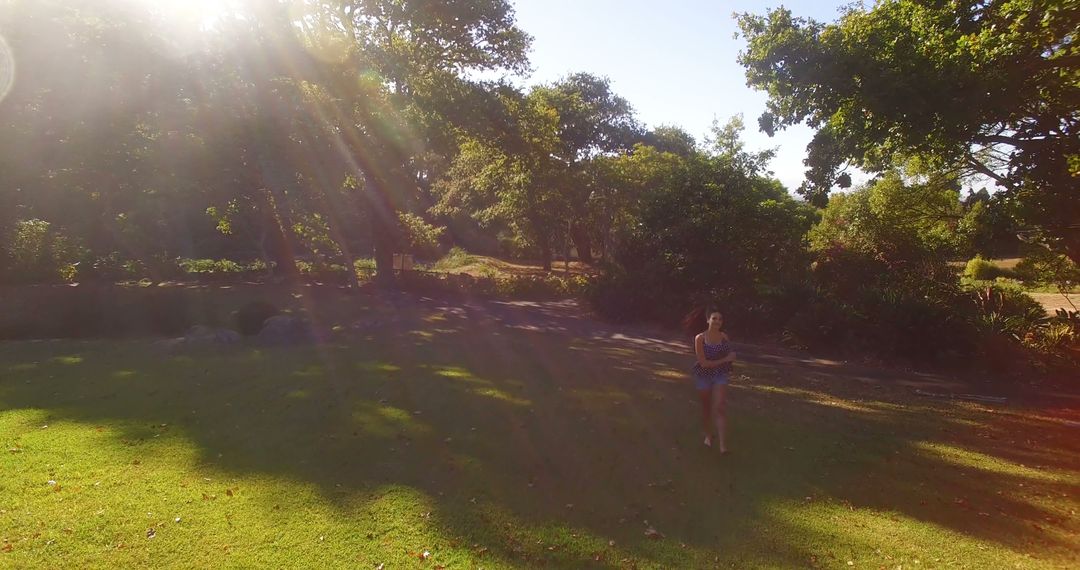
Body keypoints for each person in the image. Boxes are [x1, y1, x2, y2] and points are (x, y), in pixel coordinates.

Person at [683, 306, 737, 453]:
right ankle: (708, 434)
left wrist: (731, 356)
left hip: (720, 374)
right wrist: (726, 359)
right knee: (706, 408)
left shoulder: (724, 337)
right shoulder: (700, 338)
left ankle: (722, 446)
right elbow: (704, 363)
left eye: (720, 319)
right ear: (708, 320)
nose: (717, 321)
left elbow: (729, 354)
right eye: (714, 318)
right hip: (703, 374)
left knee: (719, 407)